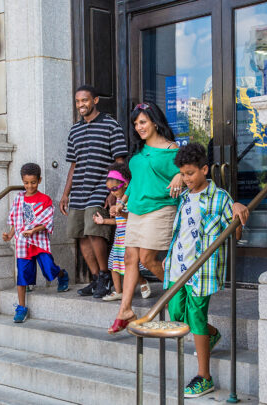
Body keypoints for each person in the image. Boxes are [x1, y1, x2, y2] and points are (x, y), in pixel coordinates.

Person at [164, 143, 248, 398]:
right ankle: (211, 335)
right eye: (183, 173)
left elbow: (236, 232)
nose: (187, 178)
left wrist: (236, 208)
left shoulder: (220, 197)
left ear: (205, 170)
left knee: (196, 316)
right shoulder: (183, 194)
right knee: (176, 312)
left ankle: (204, 377)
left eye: (191, 173)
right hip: (177, 266)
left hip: (202, 270)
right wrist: (179, 176)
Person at [108, 102, 184, 333]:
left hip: (160, 207)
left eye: (142, 121)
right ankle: (125, 310)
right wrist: (122, 202)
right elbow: (136, 182)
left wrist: (180, 174)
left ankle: (178, 290)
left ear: (154, 121)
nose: (139, 127)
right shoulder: (138, 152)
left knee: (148, 258)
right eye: (135, 123)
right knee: (131, 257)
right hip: (137, 210)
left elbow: (194, 170)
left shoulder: (173, 149)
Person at [59, 85, 128, 299]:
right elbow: (73, 165)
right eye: (78, 101)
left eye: (85, 100)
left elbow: (120, 161)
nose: (81, 105)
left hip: (101, 186)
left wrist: (114, 192)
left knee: (94, 230)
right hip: (79, 188)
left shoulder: (110, 125)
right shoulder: (75, 130)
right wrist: (65, 194)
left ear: (95, 100)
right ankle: (96, 277)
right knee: (80, 234)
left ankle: (106, 277)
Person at [3, 163, 70, 323]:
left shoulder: (45, 200)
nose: (29, 186)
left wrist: (33, 230)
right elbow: (16, 222)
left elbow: (47, 221)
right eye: (26, 183)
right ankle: (21, 307)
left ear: (39, 180)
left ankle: (62, 274)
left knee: (49, 269)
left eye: (33, 182)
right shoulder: (19, 198)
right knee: (23, 275)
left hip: (39, 241)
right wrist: (10, 235)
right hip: (22, 244)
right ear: (22, 181)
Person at [92, 162, 151, 301]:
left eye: (114, 188)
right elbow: (118, 222)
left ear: (125, 184)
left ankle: (142, 281)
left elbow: (134, 218)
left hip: (131, 239)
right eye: (109, 190)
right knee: (113, 265)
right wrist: (104, 221)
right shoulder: (118, 200)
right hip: (119, 239)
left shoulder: (132, 200)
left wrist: (120, 212)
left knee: (130, 265)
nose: (112, 192)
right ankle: (118, 291)